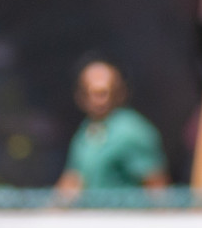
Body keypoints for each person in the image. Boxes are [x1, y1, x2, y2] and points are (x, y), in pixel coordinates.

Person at [55, 58, 169, 201]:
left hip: (126, 220)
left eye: (103, 93)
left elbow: (156, 188)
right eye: (90, 92)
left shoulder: (132, 131)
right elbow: (73, 181)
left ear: (119, 92)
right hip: (92, 220)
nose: (98, 100)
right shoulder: (87, 130)